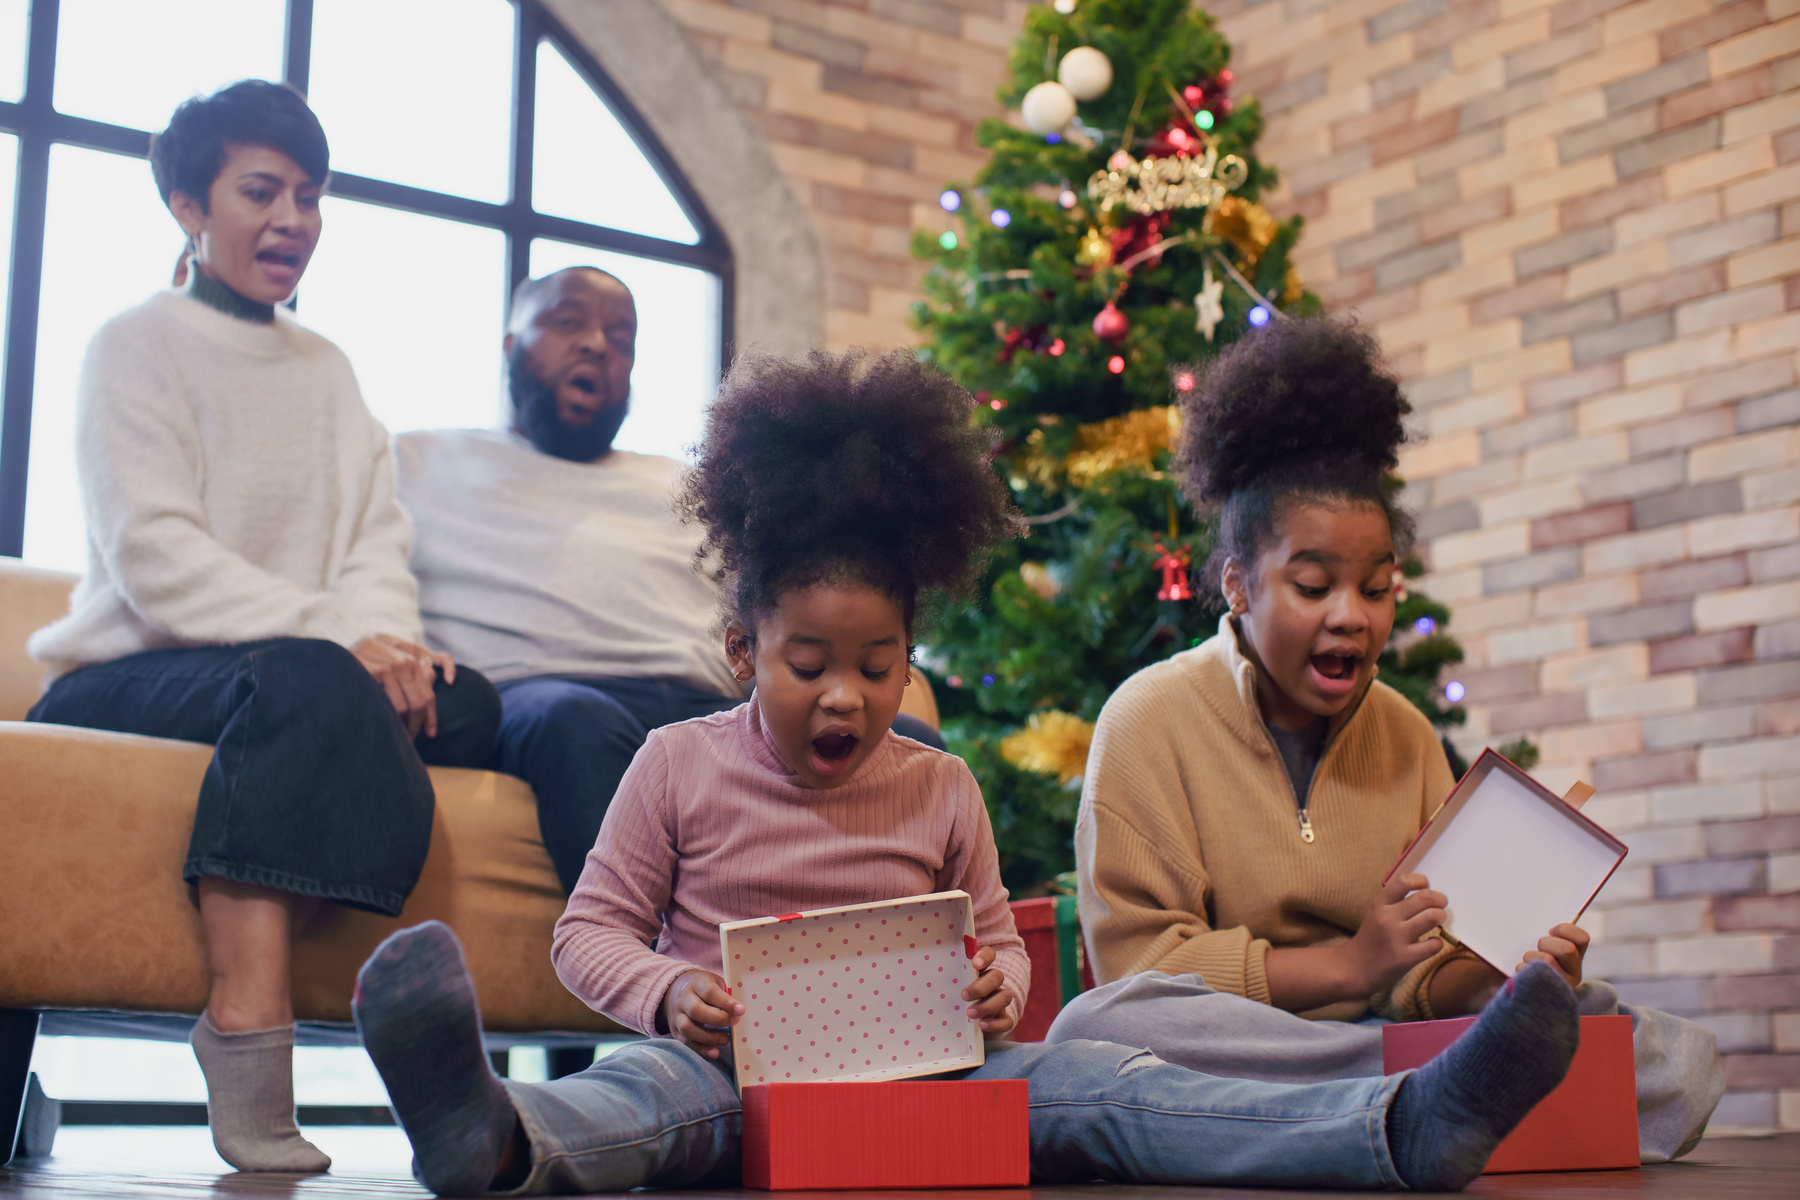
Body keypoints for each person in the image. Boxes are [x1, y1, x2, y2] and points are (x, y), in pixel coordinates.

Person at [351, 348, 1583, 1196]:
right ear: (742, 651)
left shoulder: (939, 787)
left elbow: (999, 945)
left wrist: (996, 990)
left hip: (939, 1077)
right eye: (808, 664)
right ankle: (492, 1140)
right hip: (733, 1068)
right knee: (639, 1105)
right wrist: (675, 999)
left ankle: (1397, 1127)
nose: (847, 694)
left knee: (1114, 1088)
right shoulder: (675, 763)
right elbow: (589, 936)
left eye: (879, 664)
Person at [1051, 317, 1722, 1161]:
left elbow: (1422, 983)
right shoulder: (1148, 718)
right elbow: (1140, 967)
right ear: (1238, 584)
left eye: (1376, 588)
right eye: (1312, 584)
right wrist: (1350, 965)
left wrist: (1499, 977)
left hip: (1378, 1044)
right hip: (1235, 1043)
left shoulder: (1404, 733)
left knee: (1667, 1056)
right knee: (1100, 1026)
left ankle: (1394, 1107)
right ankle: (1412, 1104)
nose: (1350, 616)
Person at [25, 81, 500, 1173]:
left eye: (311, 196)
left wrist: (383, 643)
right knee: (313, 683)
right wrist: (342, 643)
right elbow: (155, 559)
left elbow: (375, 547)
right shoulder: (133, 342)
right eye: (261, 191)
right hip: (134, 671)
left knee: (471, 703)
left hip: (300, 667)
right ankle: (245, 1017)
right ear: (190, 204)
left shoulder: (328, 369)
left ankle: (335, 747)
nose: (293, 219)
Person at [393, 266, 942, 894]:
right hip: (545, 695)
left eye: (620, 336)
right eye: (568, 321)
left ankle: (894, 971)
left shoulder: (687, 485)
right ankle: (657, 980)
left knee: (909, 740)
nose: (598, 344)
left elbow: (771, 604)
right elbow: (363, 573)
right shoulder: (417, 460)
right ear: (511, 345)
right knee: (575, 720)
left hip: (709, 697)